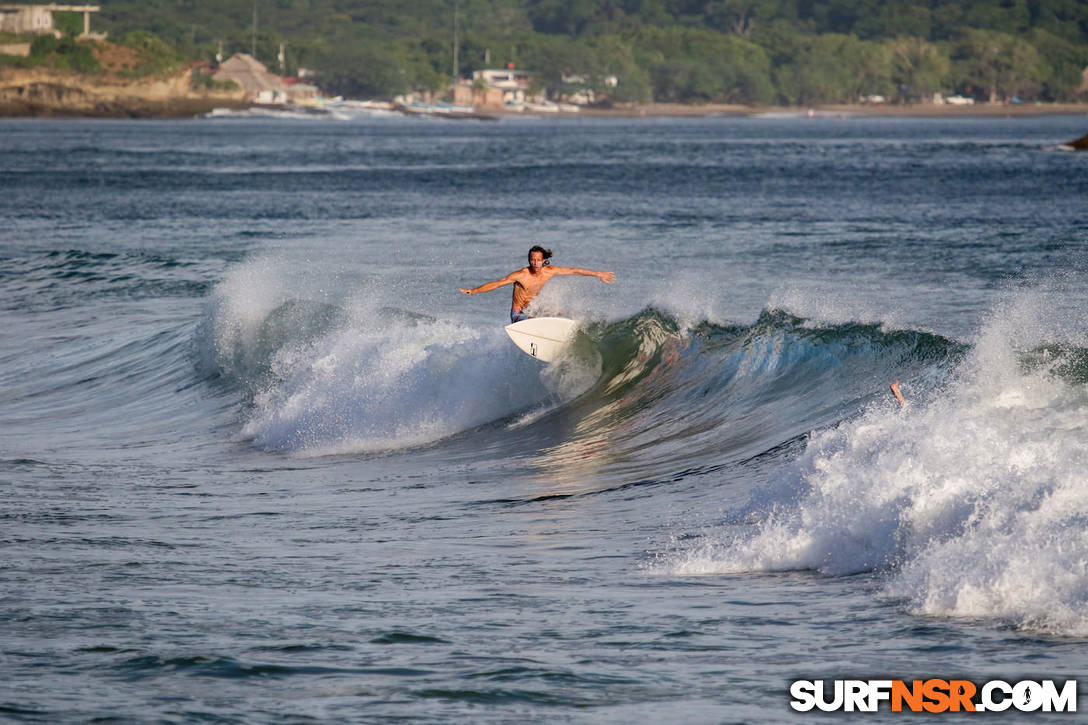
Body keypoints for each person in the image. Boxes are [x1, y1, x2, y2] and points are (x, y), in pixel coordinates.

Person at [460, 246, 616, 322]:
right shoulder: (521, 275)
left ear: (543, 261)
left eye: (538, 260)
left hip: (534, 308)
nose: (535, 263)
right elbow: (497, 284)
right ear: (529, 260)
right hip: (519, 314)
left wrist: (598, 274)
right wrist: (474, 291)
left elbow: (574, 271)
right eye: (532, 260)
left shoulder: (549, 271)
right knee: (537, 320)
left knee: (561, 316)